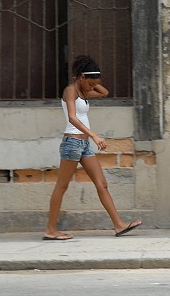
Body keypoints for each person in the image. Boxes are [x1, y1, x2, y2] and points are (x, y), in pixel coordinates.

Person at [44, 55, 142, 240]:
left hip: (83, 145)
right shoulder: (70, 91)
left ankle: (119, 225)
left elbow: (104, 92)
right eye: (90, 83)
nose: (92, 88)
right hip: (72, 143)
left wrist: (92, 81)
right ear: (80, 77)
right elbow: (72, 117)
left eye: (93, 85)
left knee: (102, 184)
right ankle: (50, 229)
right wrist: (95, 136)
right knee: (62, 186)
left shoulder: (83, 91)